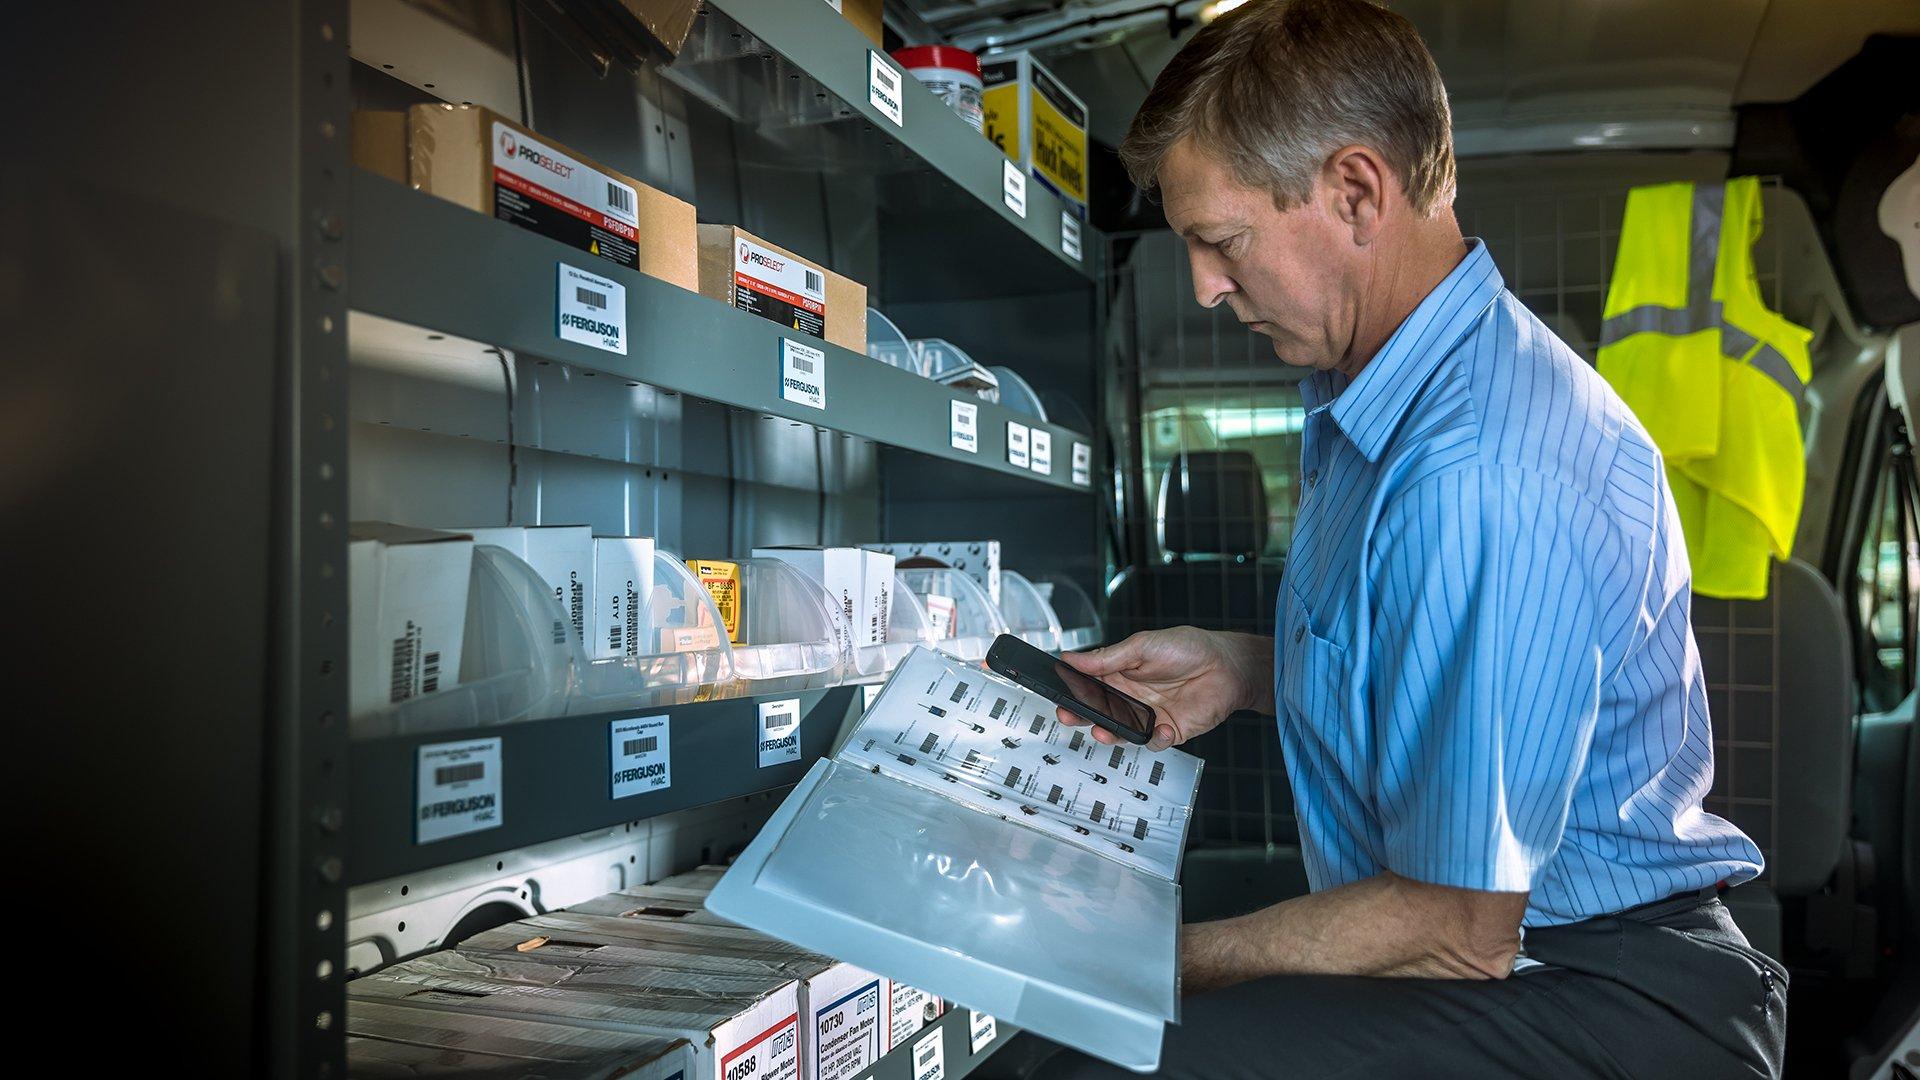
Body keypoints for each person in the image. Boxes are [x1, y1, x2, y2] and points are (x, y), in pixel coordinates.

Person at [1036, 1, 1787, 1076]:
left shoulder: (1477, 469)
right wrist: (1245, 670)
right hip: (1520, 952)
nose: (1203, 286)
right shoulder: (1376, 404)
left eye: (1223, 241)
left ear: (1355, 193)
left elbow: (1456, 928)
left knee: (1109, 1058)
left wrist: (1139, 958)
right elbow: (1416, 662)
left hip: (1597, 994)